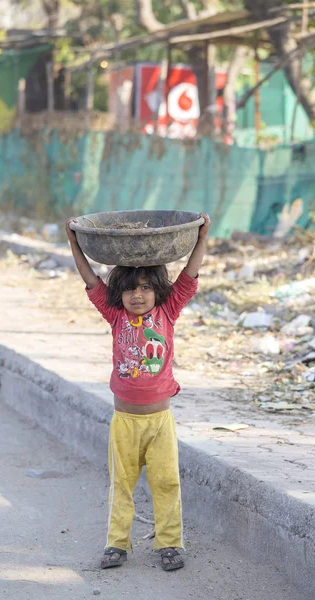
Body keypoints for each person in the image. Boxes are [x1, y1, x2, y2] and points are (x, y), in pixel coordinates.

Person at [65, 213, 210, 572]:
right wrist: (73, 240)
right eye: (130, 289)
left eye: (146, 287)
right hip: (124, 422)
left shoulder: (169, 310)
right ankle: (117, 543)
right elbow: (90, 279)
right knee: (121, 486)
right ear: (120, 295)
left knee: (166, 483)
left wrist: (203, 236)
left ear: (157, 291)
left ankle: (170, 543)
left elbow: (189, 275)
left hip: (160, 421)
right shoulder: (114, 314)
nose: (138, 295)